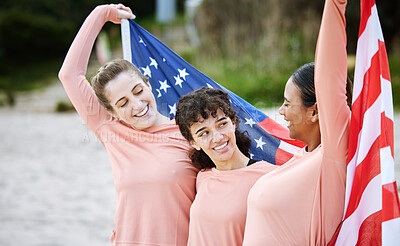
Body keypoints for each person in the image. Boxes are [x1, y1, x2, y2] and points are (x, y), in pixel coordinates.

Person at [58, 4, 198, 246]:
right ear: (112, 111)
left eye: (138, 91)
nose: (137, 105)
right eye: (123, 102)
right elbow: (69, 75)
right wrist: (102, 13)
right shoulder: (111, 131)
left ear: (148, 84)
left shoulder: (190, 132)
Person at [242, 0, 352, 245]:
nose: (280, 111)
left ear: (315, 112)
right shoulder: (300, 157)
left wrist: (335, 4)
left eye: (287, 104)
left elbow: (330, 78)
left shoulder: (332, 157)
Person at [175, 87, 277, 245]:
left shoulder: (268, 177)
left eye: (222, 124)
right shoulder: (202, 177)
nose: (217, 138)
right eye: (204, 133)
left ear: (234, 123)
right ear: (194, 143)